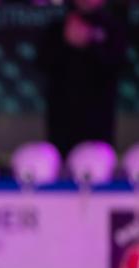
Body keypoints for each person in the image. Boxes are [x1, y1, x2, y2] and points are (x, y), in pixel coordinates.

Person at [40, 0, 127, 156]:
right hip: (62, 117)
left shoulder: (113, 27)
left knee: (97, 167)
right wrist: (66, 42)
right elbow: (42, 64)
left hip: (99, 118)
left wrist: (91, 42)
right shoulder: (57, 27)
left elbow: (117, 65)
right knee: (61, 165)